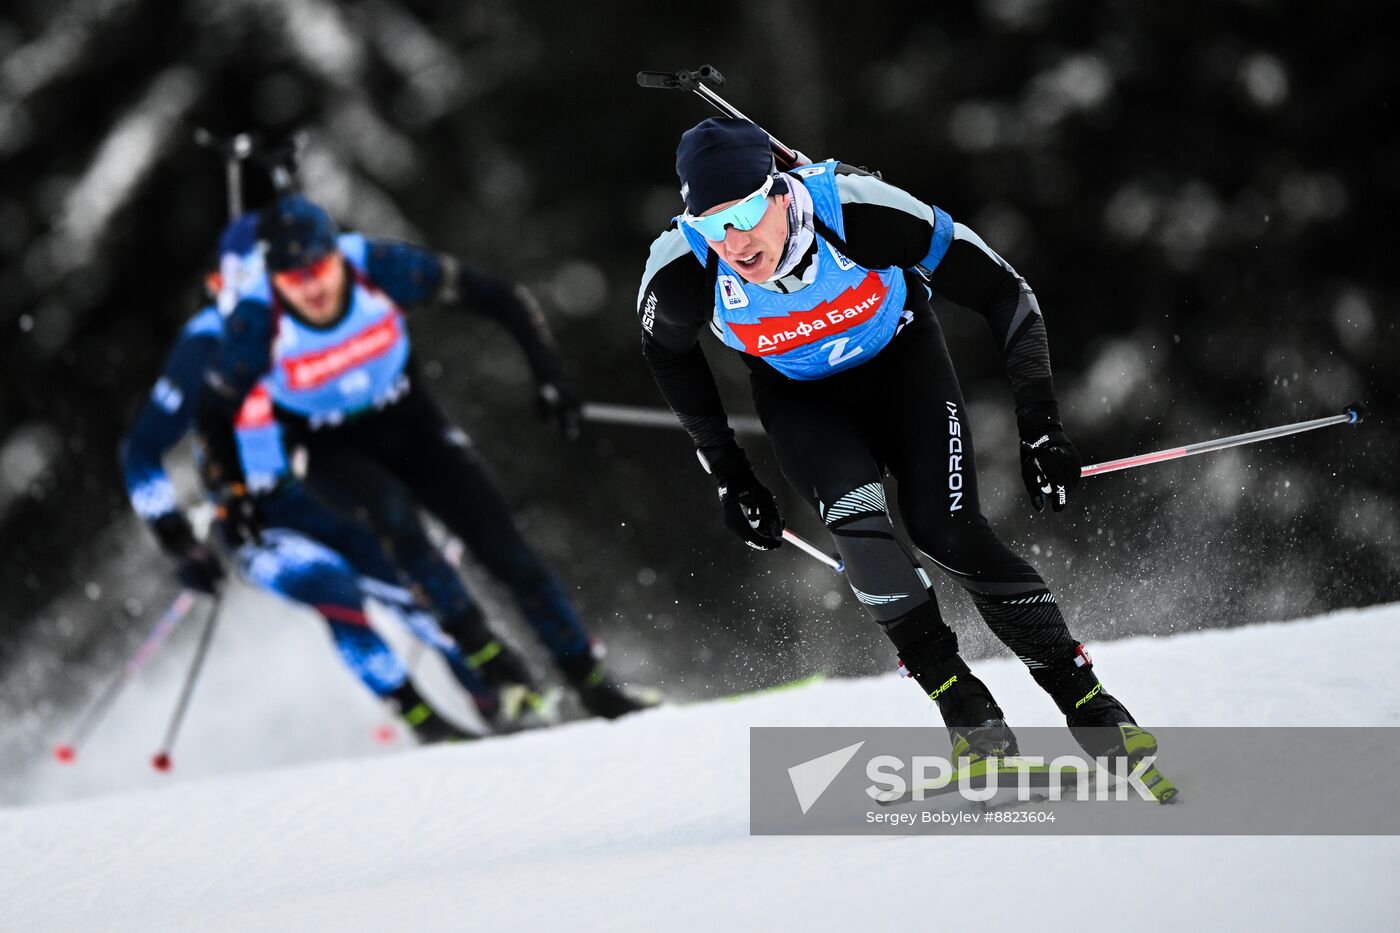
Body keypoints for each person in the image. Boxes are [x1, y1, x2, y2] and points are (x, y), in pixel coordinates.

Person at [635, 117, 1164, 777]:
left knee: (948, 532)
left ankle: (1085, 700)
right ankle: (967, 712)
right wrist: (730, 474)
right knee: (859, 524)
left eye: (744, 214)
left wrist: (1040, 425)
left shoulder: (858, 211)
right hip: (801, 398)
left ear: (780, 190)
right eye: (712, 225)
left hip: (903, 365)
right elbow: (668, 355)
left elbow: (1004, 290)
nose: (734, 242)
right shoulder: (681, 268)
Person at [196, 195, 654, 720]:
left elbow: (499, 296)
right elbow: (213, 411)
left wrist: (548, 374)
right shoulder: (256, 320)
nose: (311, 289)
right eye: (293, 279)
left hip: (412, 427)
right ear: (274, 279)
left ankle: (591, 682)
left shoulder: (383, 267)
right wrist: (232, 491)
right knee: (396, 520)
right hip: (328, 450)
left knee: (506, 550)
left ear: (337, 256)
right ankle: (495, 670)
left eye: (319, 270)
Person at [121, 216, 492, 743]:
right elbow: (141, 450)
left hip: (336, 495)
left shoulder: (329, 322)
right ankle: (423, 721)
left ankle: (504, 705)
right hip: (261, 518)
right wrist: (176, 537)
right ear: (220, 286)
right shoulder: (204, 345)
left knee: (428, 599)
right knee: (334, 591)